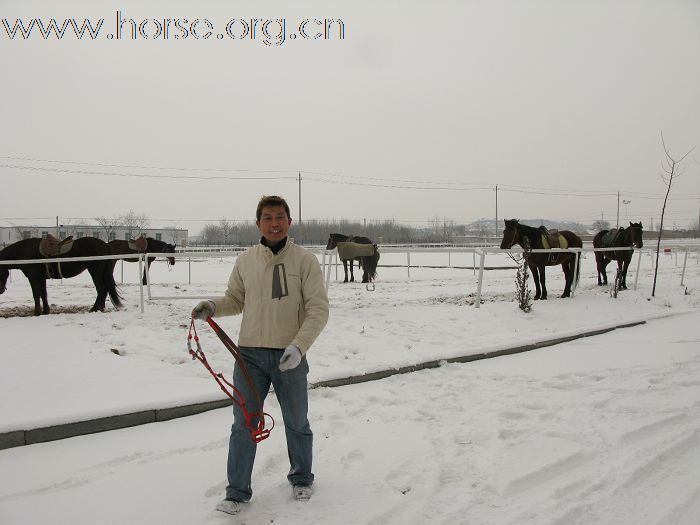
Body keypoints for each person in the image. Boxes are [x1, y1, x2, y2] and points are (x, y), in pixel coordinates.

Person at [192, 195, 329, 516]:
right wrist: (212, 306)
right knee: (244, 424)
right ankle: (237, 491)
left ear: (289, 222)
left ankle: (302, 477)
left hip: (289, 355)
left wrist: (299, 346)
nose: (275, 223)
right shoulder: (246, 261)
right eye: (268, 217)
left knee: (296, 420)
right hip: (249, 356)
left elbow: (318, 310)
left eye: (280, 217)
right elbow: (234, 300)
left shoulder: (305, 261)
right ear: (258, 223)